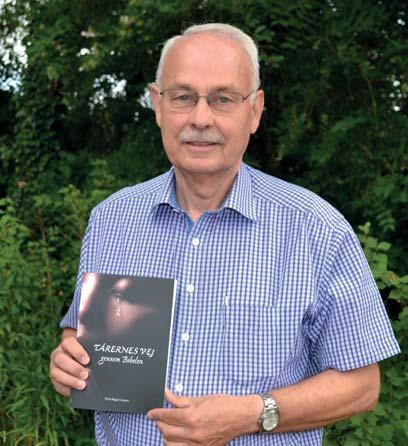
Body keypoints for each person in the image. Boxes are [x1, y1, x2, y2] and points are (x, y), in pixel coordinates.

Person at [49, 23, 400, 445]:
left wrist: (253, 413)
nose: (200, 118)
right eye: (183, 97)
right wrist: (68, 363)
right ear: (157, 105)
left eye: (223, 99)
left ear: (255, 110)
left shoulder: (315, 229)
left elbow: (362, 385)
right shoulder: (112, 220)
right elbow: (79, 339)